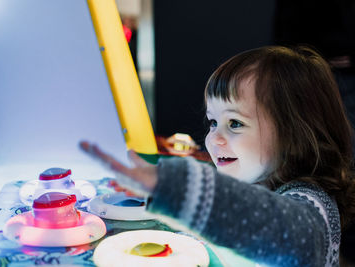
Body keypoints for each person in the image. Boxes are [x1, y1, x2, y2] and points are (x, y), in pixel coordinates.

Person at [80, 46, 355, 267]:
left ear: (294, 133)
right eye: (213, 122)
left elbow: (278, 228)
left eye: (235, 123)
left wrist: (182, 191)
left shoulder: (313, 205)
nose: (214, 138)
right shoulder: (259, 180)